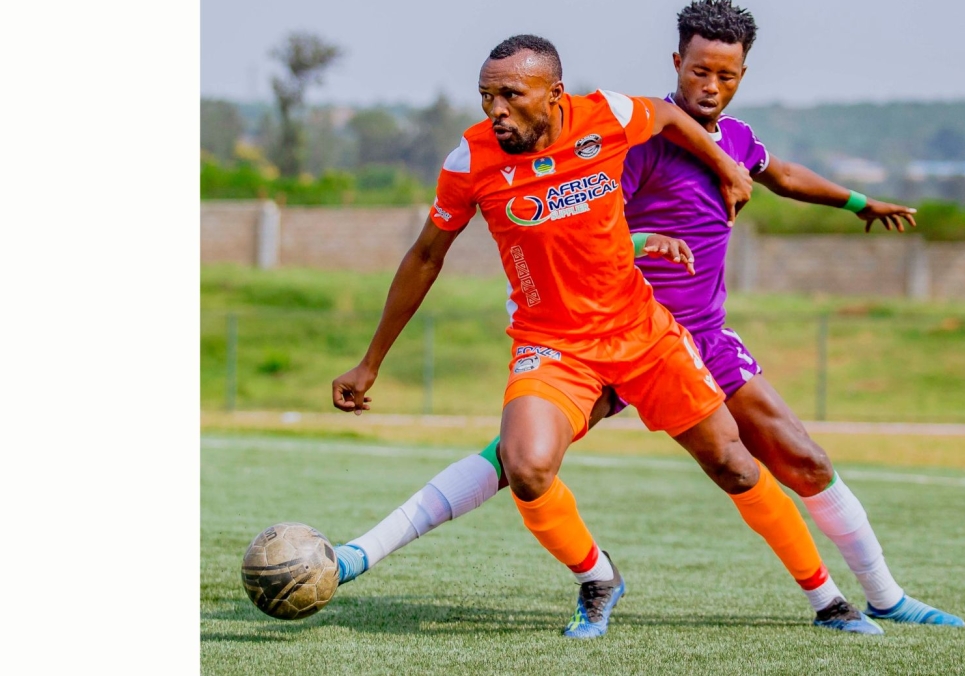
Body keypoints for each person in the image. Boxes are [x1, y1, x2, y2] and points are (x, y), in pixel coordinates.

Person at [331, 33, 882, 639]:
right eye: (487, 95)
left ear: (554, 93)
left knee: (734, 463)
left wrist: (725, 163)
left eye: (511, 95)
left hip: (641, 332)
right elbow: (424, 257)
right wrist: (370, 362)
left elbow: (670, 116)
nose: (495, 110)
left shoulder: (607, 116)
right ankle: (597, 577)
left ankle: (828, 599)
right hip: (552, 346)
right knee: (525, 464)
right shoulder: (470, 160)